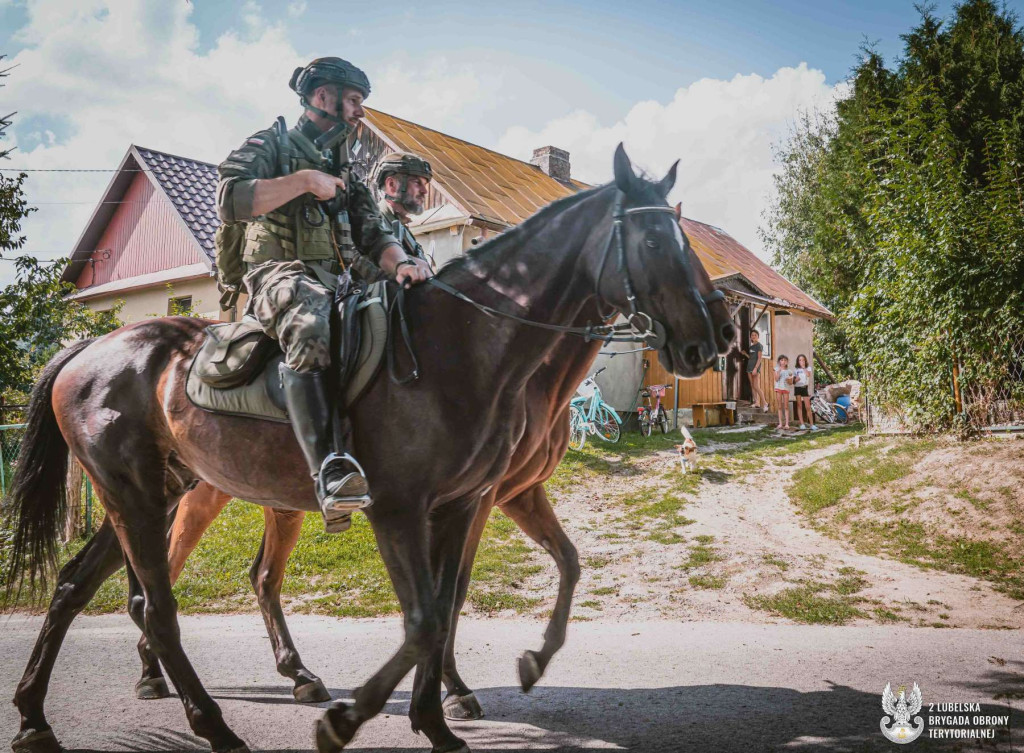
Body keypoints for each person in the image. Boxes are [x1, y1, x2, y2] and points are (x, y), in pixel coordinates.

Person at [216, 57, 432, 531]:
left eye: (361, 103)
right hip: (276, 273)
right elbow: (229, 199)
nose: (359, 112)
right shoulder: (269, 143)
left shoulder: (347, 165)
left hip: (337, 279)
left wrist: (406, 266)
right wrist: (303, 182)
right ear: (321, 97)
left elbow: (374, 234)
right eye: (354, 101)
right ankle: (330, 471)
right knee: (311, 322)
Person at [370, 151, 434, 274]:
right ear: (391, 185)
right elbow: (362, 263)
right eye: (417, 182)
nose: (425, 191)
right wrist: (404, 264)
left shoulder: (400, 226)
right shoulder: (372, 222)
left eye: (425, 184)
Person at [742, 329, 768, 412]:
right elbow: (751, 357)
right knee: (752, 385)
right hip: (749, 367)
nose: (753, 336)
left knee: (756, 386)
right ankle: (756, 402)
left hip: (755, 368)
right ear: (750, 337)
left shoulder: (759, 346)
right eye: (752, 335)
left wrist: (756, 368)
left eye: (755, 335)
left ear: (758, 337)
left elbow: (759, 358)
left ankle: (765, 403)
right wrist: (745, 354)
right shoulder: (751, 347)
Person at [793, 354, 818, 431]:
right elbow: (793, 381)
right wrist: (795, 380)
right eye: (800, 360)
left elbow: (808, 375)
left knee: (807, 406)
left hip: (804, 388)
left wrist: (804, 368)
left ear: (805, 360)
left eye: (803, 360)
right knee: (799, 405)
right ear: (798, 361)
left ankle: (811, 424)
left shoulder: (808, 368)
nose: (801, 361)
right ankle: (802, 424)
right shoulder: (795, 369)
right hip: (797, 388)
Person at [774, 354, 793, 431]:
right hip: (778, 388)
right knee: (779, 406)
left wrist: (789, 379)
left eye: (785, 360)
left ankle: (787, 424)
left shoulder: (789, 371)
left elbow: (791, 383)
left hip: (786, 389)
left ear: (787, 362)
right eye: (781, 360)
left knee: (786, 406)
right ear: (779, 361)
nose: (783, 361)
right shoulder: (776, 369)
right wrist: (778, 372)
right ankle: (780, 423)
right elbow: (776, 379)